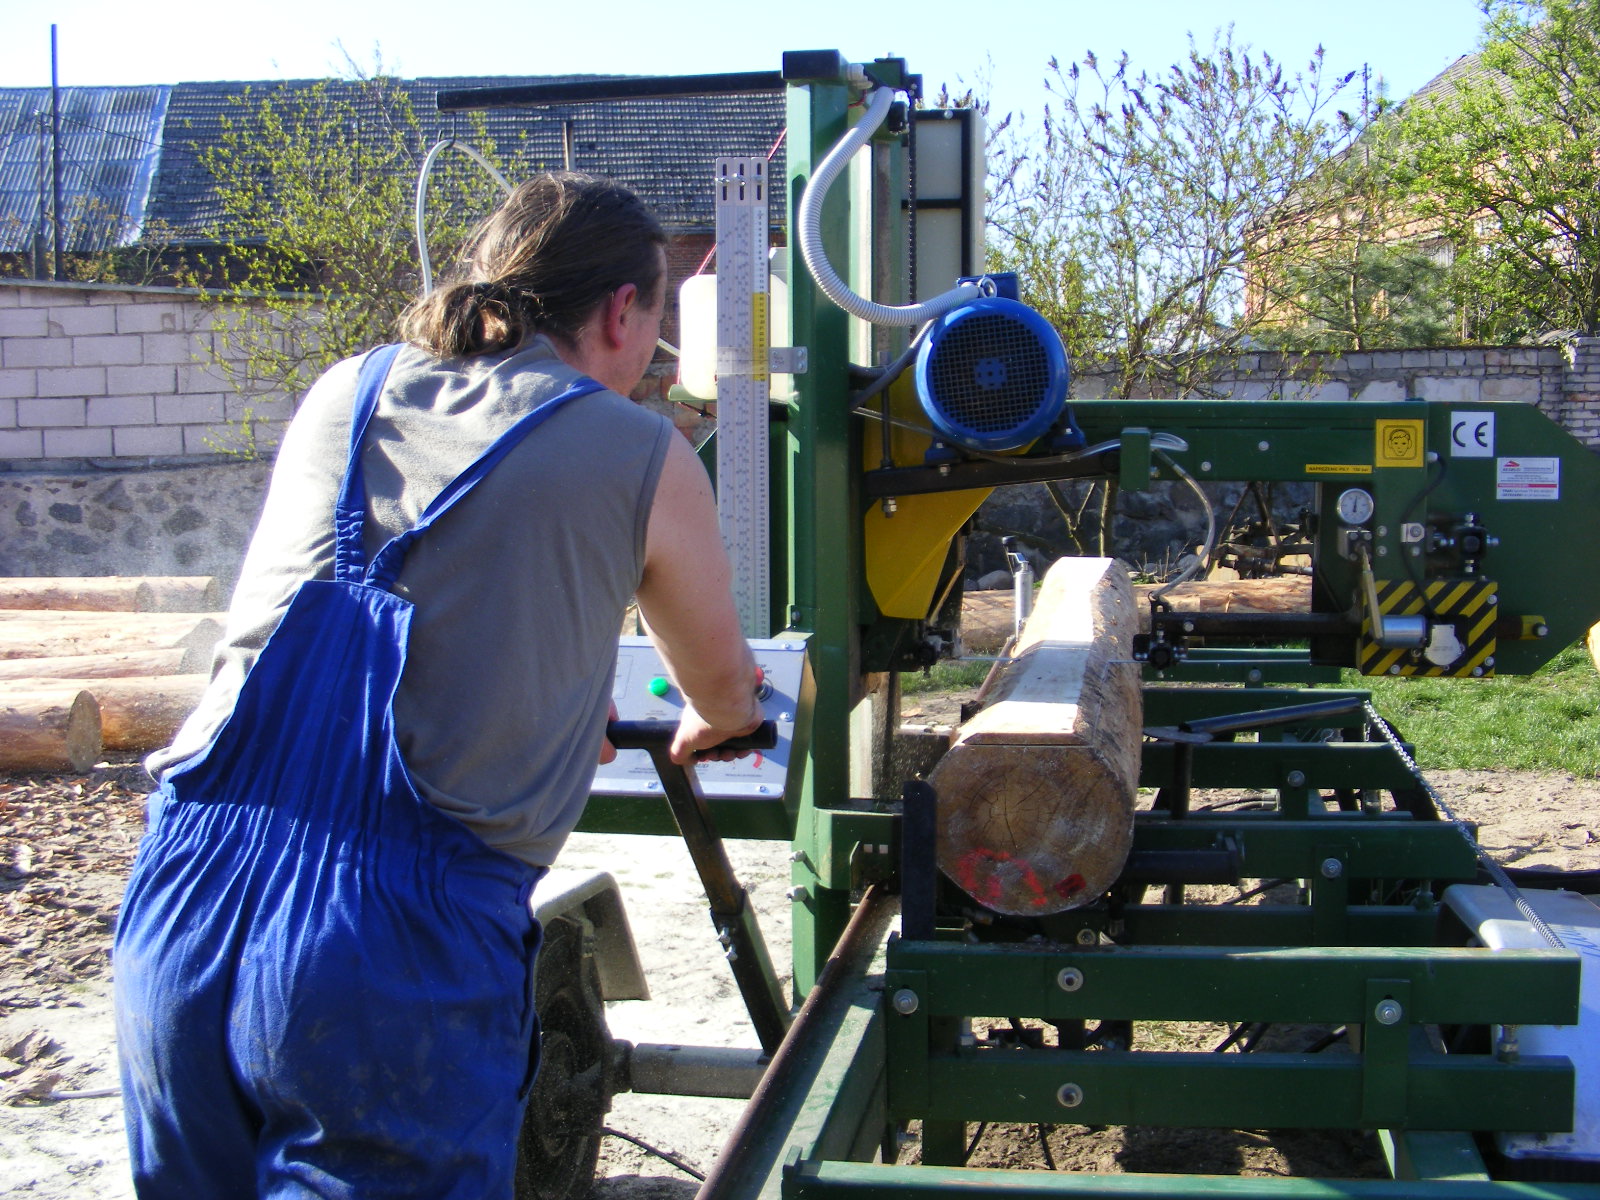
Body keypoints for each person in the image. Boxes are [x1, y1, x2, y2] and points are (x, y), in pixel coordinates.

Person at [113, 172, 764, 1199]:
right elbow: (721, 687)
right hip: (388, 951)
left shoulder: (347, 388)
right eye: (656, 328)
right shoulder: (638, 449)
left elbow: (408, 597)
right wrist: (720, 718)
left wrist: (552, 688)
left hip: (184, 897)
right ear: (621, 311)